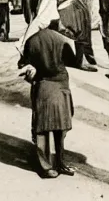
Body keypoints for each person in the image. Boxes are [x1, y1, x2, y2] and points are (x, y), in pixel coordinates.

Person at [18, 19, 76, 178]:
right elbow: (72, 61)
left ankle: (46, 167)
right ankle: (61, 163)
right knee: (60, 128)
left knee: (42, 129)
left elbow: (23, 63)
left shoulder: (32, 41)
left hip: (42, 86)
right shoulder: (62, 40)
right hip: (60, 86)